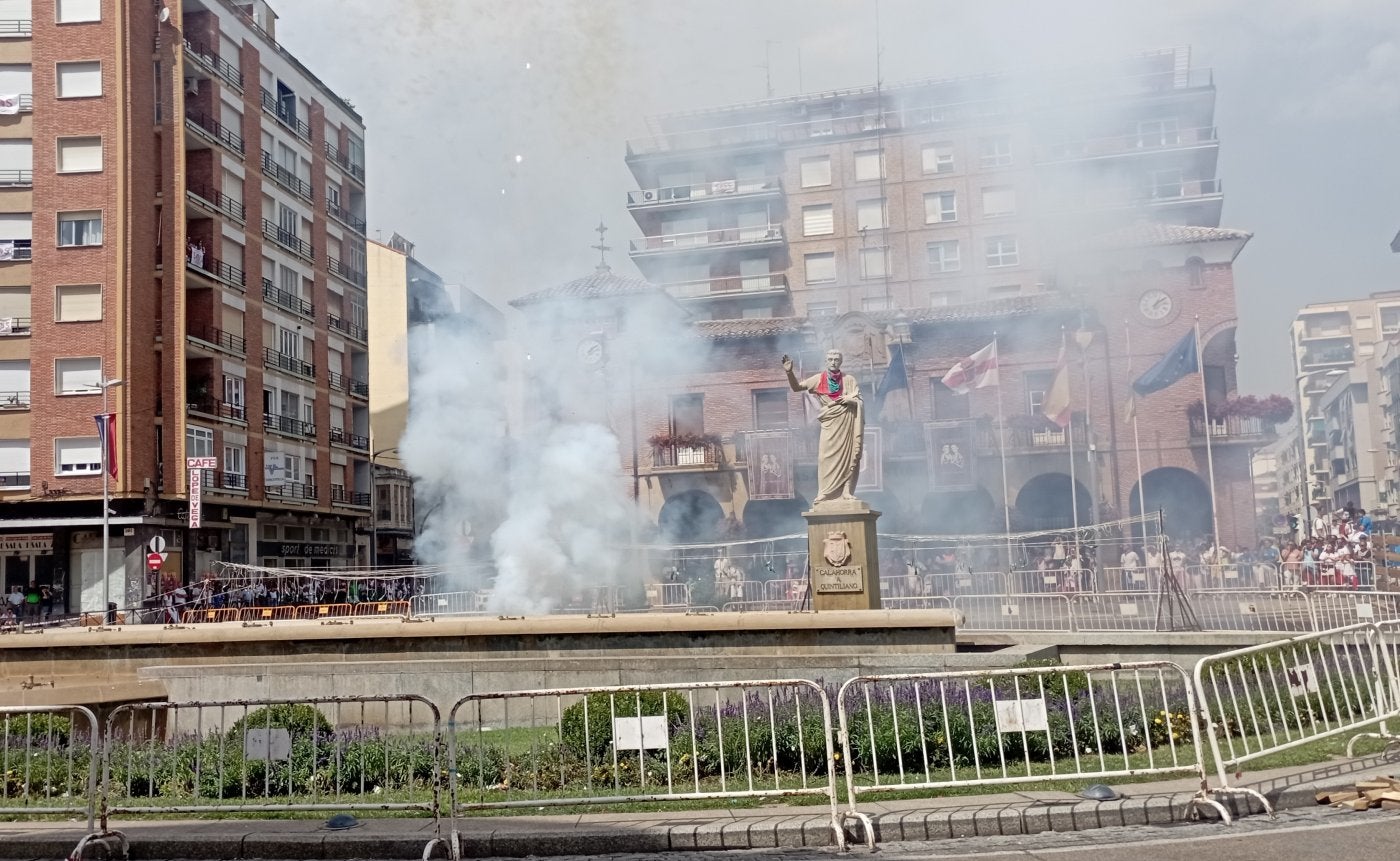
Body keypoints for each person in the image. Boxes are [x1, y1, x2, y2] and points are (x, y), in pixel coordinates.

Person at [783, 350, 863, 504]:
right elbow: (797, 387)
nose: (833, 362)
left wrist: (850, 400)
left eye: (836, 359)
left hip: (847, 422)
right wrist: (789, 372)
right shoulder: (818, 379)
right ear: (826, 361)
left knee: (849, 456)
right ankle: (824, 492)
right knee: (824, 458)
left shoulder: (850, 380)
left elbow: (859, 399)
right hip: (829, 423)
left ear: (841, 361)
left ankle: (846, 492)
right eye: (830, 359)